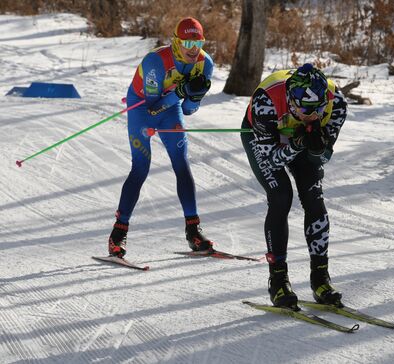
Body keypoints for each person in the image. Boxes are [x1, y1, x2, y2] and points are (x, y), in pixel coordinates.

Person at [241, 63, 348, 309]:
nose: (313, 116)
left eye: (318, 109)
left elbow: (322, 159)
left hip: (296, 138)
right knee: (281, 196)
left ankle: (321, 279)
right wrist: (297, 144)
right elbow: (272, 159)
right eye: (306, 110)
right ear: (291, 100)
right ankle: (278, 281)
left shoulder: (337, 103)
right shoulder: (265, 100)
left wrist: (318, 147)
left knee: (314, 197)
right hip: (264, 138)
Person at [108, 17, 215, 258]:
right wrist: (180, 91)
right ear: (176, 43)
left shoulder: (205, 64)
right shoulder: (157, 62)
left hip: (170, 109)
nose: (193, 51)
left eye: (198, 44)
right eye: (187, 45)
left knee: (181, 163)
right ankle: (118, 232)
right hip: (142, 108)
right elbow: (152, 109)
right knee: (141, 168)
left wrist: (194, 97)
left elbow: (187, 110)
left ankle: (193, 230)